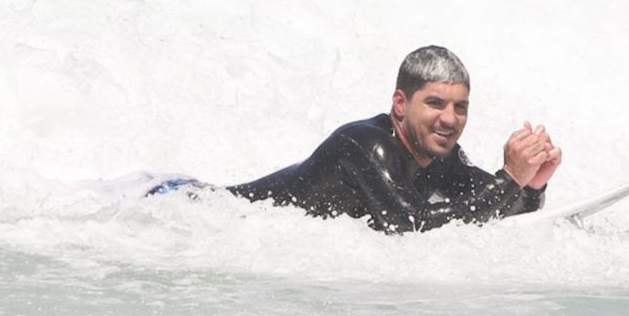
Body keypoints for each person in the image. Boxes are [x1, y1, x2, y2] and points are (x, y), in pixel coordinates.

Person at [149, 45, 562, 233]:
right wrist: (510, 177)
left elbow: (485, 211)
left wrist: (531, 183)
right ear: (400, 104)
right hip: (189, 207)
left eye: (460, 107)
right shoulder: (365, 145)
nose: (449, 119)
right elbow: (411, 226)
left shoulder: (441, 156)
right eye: (435, 103)